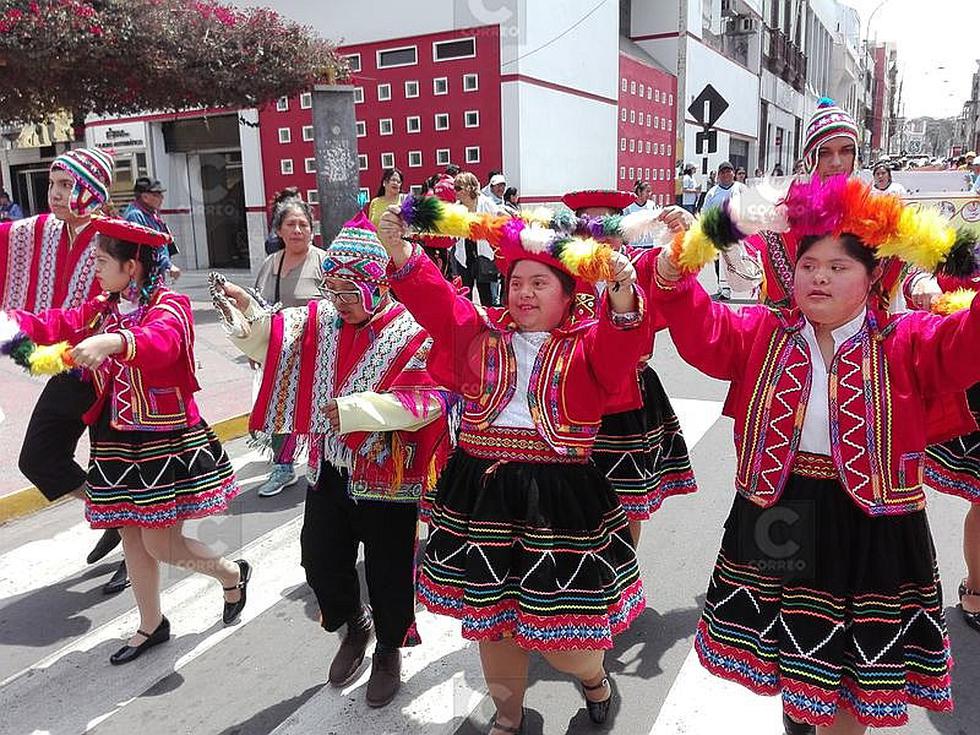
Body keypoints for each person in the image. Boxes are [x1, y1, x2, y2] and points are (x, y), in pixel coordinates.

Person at [650, 174, 975, 734]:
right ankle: (802, 708)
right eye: (808, 265)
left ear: (874, 276)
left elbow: (967, 345)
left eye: (839, 266)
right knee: (788, 643)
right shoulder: (766, 333)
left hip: (873, 519)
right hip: (780, 504)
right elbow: (703, 334)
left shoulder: (906, 339)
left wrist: (960, 265)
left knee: (852, 677)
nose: (819, 276)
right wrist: (674, 281)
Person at [378, 200, 649, 734]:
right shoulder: (481, 332)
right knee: (493, 625)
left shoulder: (589, 344)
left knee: (565, 638)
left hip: (561, 502)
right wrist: (399, 250)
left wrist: (620, 289)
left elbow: (623, 347)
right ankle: (507, 717)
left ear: (570, 294)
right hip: (482, 496)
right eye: (516, 281)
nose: (524, 293)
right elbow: (436, 304)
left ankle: (593, 678)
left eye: (540, 283)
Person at [214, 212, 451, 708]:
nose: (338, 302)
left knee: (388, 570)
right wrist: (244, 311)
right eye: (333, 289)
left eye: (349, 292)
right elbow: (271, 336)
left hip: (388, 473)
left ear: (377, 283)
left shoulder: (412, 331)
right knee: (319, 560)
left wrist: (353, 411)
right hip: (329, 468)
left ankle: (389, 647)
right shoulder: (320, 318)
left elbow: (429, 401)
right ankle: (353, 625)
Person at [8, 218, 248, 665]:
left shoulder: (171, 305)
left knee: (161, 544)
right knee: (134, 539)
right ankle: (151, 624)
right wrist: (11, 326)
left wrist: (114, 341)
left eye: (102, 260)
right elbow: (61, 321)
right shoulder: (103, 306)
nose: (96, 269)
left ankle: (230, 574)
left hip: (161, 441)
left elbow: (161, 343)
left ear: (132, 265)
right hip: (115, 442)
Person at [0, 148, 129, 594]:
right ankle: (111, 516)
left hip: (117, 373)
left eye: (66, 186)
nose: (54, 195)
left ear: (91, 191)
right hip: (70, 368)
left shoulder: (114, 238)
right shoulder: (38, 233)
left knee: (118, 465)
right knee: (37, 457)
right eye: (53, 184)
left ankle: (136, 544)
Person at [562, 189, 697, 547]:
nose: (598, 234)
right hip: (571, 399)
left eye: (607, 223)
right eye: (588, 225)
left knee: (626, 504)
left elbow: (676, 266)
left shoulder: (641, 265)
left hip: (630, 400)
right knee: (569, 502)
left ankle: (624, 582)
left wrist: (684, 233)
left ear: (623, 229)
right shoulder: (561, 272)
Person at [250, 197, 327, 497]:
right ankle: (283, 468)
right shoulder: (272, 263)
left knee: (319, 408)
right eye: (290, 224)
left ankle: (322, 463)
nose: (297, 230)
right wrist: (253, 348)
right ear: (279, 231)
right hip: (280, 352)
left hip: (319, 351)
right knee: (279, 407)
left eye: (303, 225)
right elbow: (257, 309)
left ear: (312, 230)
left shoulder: (324, 261)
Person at [452, 171, 501, 306]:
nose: (455, 191)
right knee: (465, 295)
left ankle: (488, 324)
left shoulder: (486, 204)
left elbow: (499, 219)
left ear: (469, 188)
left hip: (484, 255)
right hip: (464, 256)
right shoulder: (456, 208)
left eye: (458, 188)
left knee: (486, 295)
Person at [702, 161, 747, 300]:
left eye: (729, 171)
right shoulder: (712, 193)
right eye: (723, 172)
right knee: (719, 261)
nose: (726, 174)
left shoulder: (741, 188)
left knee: (737, 259)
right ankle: (722, 286)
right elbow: (705, 213)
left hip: (736, 230)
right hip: (718, 231)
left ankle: (743, 284)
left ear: (733, 173)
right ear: (719, 175)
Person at [122, 177, 180, 282]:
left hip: (154, 275)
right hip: (142, 279)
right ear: (145, 197)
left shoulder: (151, 214)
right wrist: (168, 265)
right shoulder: (135, 216)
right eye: (157, 195)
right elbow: (146, 249)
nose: (162, 198)